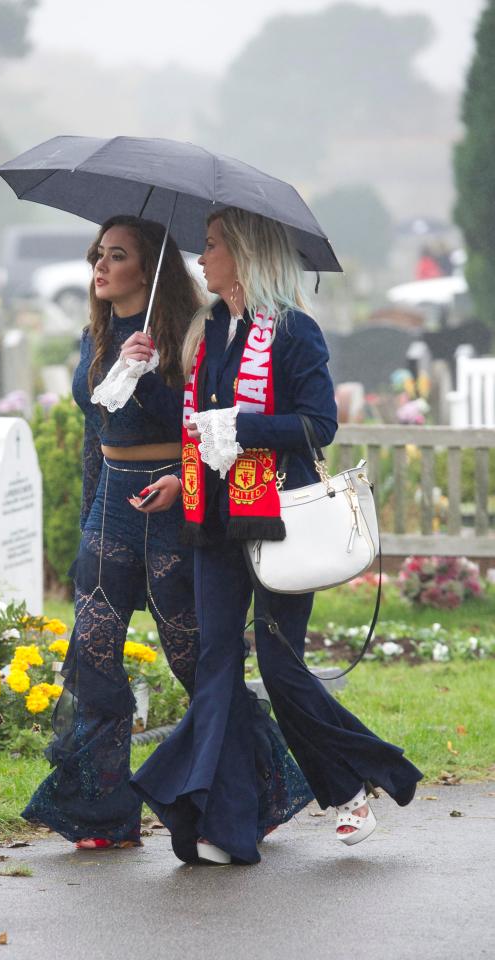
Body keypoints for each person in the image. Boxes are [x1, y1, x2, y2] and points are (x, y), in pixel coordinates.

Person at [131, 207, 423, 865]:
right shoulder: (207, 332)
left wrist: (246, 428)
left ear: (244, 254)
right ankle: (219, 822)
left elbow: (318, 424)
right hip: (212, 520)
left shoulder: (294, 332)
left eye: (209, 247)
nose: (199, 260)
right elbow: (198, 430)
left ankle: (352, 784)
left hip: (276, 520)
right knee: (214, 665)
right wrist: (143, 382)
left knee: (280, 665)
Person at [22, 215, 202, 849]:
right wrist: (89, 516)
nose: (100, 265)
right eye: (98, 253)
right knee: (95, 652)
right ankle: (104, 814)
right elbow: (96, 433)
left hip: (173, 502)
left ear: (148, 270)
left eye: (117, 255)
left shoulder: (189, 337)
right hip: (113, 506)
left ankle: (241, 786)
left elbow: (202, 425)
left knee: (191, 657)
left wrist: (149, 373)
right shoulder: (94, 337)